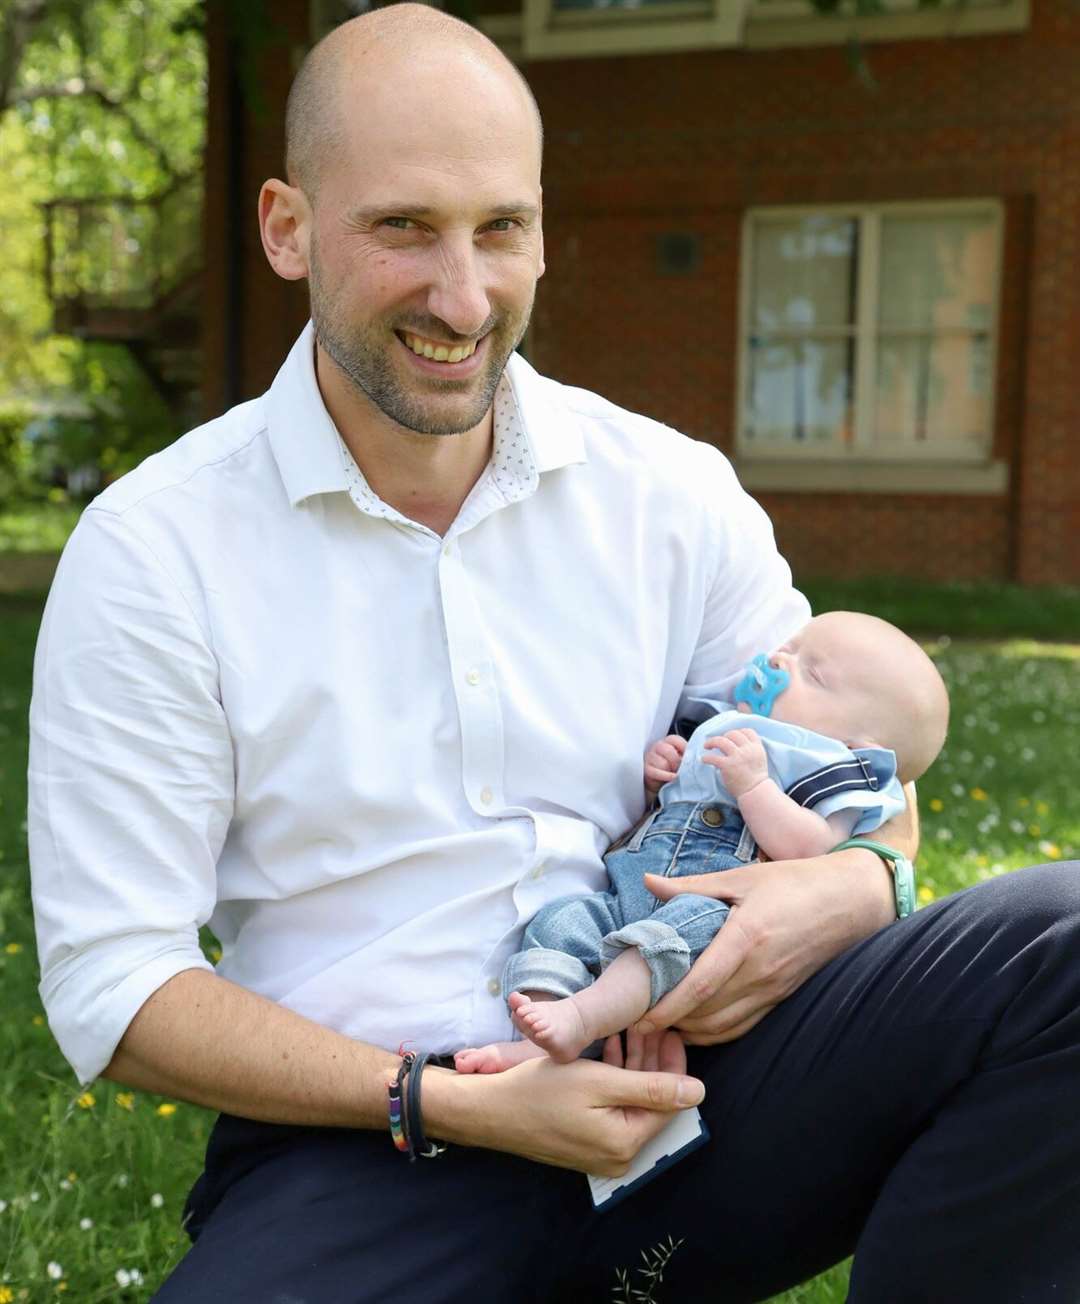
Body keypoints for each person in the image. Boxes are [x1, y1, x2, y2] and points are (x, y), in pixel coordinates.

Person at [25, 7, 1080, 1302]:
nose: (463, 297)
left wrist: (865, 884)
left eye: (500, 228)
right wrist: (447, 1103)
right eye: (404, 227)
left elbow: (857, 776)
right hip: (386, 1139)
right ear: (286, 228)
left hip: (708, 1083)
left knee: (1066, 944)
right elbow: (112, 980)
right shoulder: (156, 550)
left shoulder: (667, 491)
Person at [457, 611, 947, 1071]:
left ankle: (582, 1021)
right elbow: (670, 809)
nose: (779, 661)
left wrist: (755, 787)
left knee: (657, 949)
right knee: (561, 924)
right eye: (790, 648)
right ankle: (539, 1041)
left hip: (710, 906)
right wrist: (663, 774)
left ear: (861, 746)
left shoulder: (832, 768)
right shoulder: (727, 721)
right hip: (628, 887)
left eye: (813, 674)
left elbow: (811, 848)